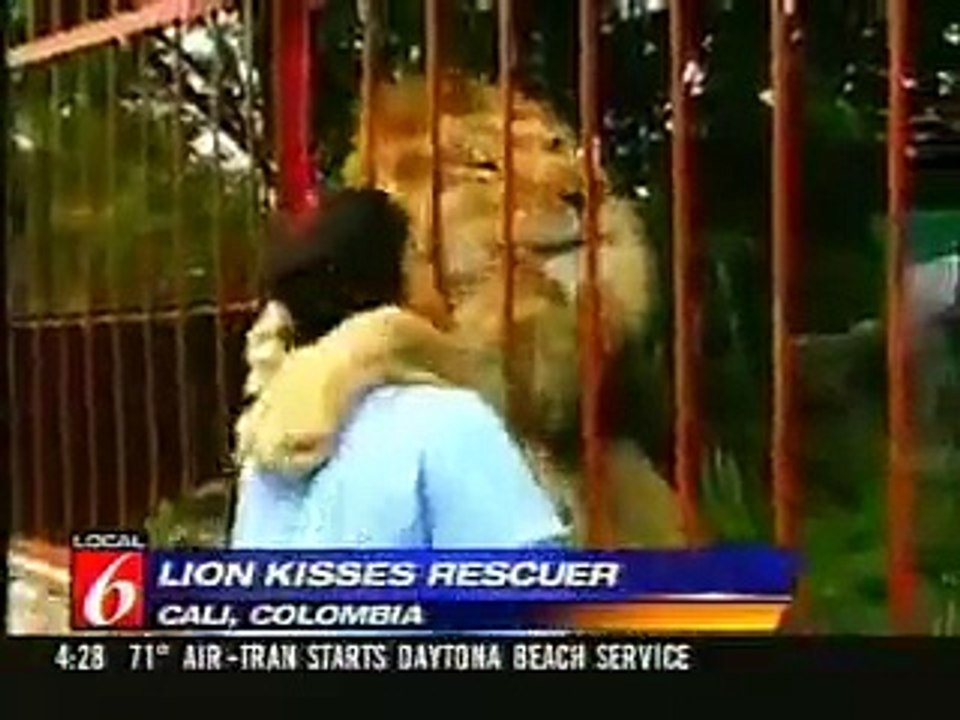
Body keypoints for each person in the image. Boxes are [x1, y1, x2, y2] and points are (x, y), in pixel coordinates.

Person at [230, 189, 567, 550]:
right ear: (392, 280)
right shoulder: (447, 422)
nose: (440, 279)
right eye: (421, 258)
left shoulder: (267, 446)